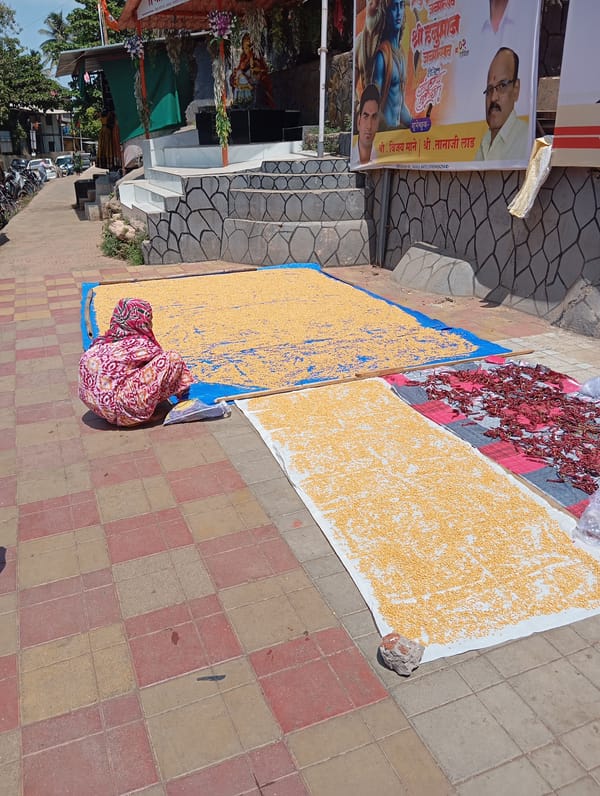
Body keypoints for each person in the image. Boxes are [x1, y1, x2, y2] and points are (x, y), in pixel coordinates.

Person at [79, 298, 193, 427]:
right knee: (172, 360)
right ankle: (134, 415)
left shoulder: (99, 343)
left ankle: (121, 409)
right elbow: (162, 362)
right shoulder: (140, 345)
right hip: (121, 410)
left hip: (98, 407)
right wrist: (182, 393)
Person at [475, 47, 530, 163]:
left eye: (502, 86)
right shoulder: (485, 141)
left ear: (516, 89)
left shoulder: (527, 139)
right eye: (489, 89)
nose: (494, 97)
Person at [372, 0, 412, 130]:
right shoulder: (382, 56)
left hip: (396, 134)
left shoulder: (401, 55)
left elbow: (400, 106)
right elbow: (373, 104)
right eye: (395, 7)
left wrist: (416, 125)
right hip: (384, 134)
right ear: (387, 13)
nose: (399, 13)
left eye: (401, 6)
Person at [230, 33, 275, 109]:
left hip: (253, 84)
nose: (247, 49)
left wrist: (252, 70)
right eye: (245, 47)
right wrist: (234, 76)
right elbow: (238, 71)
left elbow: (260, 73)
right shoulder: (243, 59)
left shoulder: (256, 58)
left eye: (249, 46)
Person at [351, 84, 380, 166]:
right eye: (366, 116)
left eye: (374, 117)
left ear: (378, 123)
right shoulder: (351, 158)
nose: (369, 126)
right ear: (358, 122)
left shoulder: (380, 159)